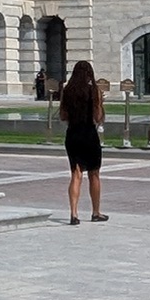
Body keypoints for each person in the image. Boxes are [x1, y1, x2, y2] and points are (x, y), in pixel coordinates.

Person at [59, 61, 107, 224]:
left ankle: (74, 213)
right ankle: (96, 212)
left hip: (73, 134)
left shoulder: (67, 91)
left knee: (76, 174)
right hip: (89, 134)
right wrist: (100, 103)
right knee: (94, 173)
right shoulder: (94, 91)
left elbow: (63, 116)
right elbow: (98, 117)